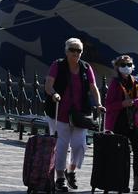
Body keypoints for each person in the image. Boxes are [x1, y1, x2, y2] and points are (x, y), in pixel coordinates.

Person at [44, 38, 105, 192]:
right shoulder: (57, 65)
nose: (76, 53)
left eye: (79, 50)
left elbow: (93, 87)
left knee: (79, 145)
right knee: (62, 146)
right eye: (72, 49)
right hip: (60, 112)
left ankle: (70, 171)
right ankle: (59, 178)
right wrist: (54, 94)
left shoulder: (86, 67)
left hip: (80, 114)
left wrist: (98, 103)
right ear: (66, 51)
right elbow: (48, 85)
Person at [105, 55, 138, 193]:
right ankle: (122, 183)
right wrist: (122, 104)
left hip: (136, 123)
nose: (127, 67)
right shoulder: (115, 84)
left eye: (129, 64)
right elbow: (109, 105)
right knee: (122, 154)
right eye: (124, 65)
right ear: (118, 67)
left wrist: (134, 102)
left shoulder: (137, 81)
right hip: (120, 122)